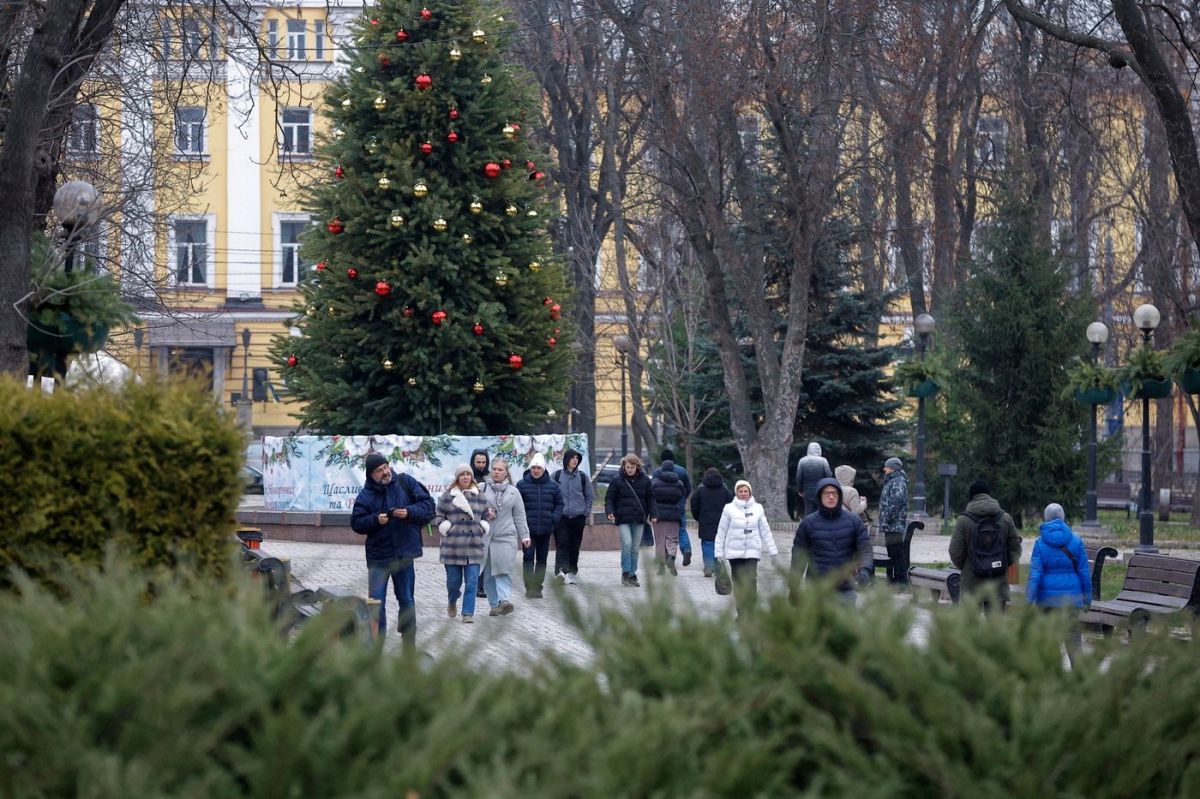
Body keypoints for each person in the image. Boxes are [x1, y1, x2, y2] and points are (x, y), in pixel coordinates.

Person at [350, 452, 435, 648]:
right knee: (376, 605)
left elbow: (428, 505)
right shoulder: (365, 495)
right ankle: (375, 649)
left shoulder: (406, 482)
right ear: (371, 475)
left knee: (407, 601)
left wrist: (409, 512)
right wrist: (375, 520)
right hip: (379, 559)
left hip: (404, 555)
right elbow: (356, 523)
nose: (385, 472)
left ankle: (409, 649)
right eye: (379, 470)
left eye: (386, 467)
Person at [791, 477, 872, 598]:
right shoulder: (808, 524)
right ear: (819, 496)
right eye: (827, 493)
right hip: (816, 588)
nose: (831, 497)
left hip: (846, 588)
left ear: (839, 496)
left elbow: (865, 548)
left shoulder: (854, 521)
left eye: (834, 493)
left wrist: (865, 570)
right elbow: (798, 558)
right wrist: (794, 588)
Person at [950, 479, 1022, 611]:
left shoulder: (963, 520)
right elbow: (1016, 549)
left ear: (971, 497)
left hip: (971, 584)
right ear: (989, 495)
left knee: (970, 622)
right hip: (998, 582)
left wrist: (967, 566)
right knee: (995, 623)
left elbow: (955, 551)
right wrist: (1002, 564)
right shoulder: (1005, 518)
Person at [434, 464, 491, 624]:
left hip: (474, 545)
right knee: (454, 582)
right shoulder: (447, 496)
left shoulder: (480, 495)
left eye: (468, 474)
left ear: (471, 477)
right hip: (453, 546)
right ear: (457, 477)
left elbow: (486, 516)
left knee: (472, 582)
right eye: (462, 474)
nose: (465, 477)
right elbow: (438, 516)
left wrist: (483, 526)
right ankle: (452, 600)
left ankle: (467, 613)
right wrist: (446, 527)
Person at [715, 479, 778, 618]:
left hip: (752, 551)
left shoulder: (758, 508)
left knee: (751, 581)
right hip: (734, 552)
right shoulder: (729, 508)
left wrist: (773, 550)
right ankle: (741, 613)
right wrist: (718, 552)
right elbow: (721, 531)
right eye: (740, 491)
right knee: (738, 582)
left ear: (750, 492)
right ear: (736, 493)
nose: (743, 493)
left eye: (745, 491)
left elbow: (765, 530)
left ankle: (751, 612)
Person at [482, 458, 530, 616]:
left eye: (500, 469)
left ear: (506, 472)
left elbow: (520, 516)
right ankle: (494, 605)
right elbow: (472, 507)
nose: (496, 472)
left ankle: (504, 600)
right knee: (489, 574)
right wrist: (485, 511)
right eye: (494, 469)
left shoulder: (514, 492)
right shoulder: (482, 488)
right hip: (487, 537)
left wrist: (525, 536)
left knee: (504, 569)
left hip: (506, 537)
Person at [604, 453, 657, 587]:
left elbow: (651, 499)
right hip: (623, 518)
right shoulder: (617, 480)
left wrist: (654, 514)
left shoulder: (645, 480)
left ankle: (633, 574)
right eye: (627, 467)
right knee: (627, 544)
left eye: (632, 467)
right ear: (624, 466)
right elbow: (609, 498)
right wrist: (610, 511)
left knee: (635, 547)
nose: (629, 470)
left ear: (637, 467)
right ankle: (626, 573)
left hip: (639, 518)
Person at [517, 453, 563, 598]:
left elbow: (559, 504)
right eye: (533, 468)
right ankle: (530, 587)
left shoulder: (553, 486)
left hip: (545, 529)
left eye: (538, 468)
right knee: (528, 557)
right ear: (530, 469)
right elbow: (517, 506)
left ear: (543, 469)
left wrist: (553, 518)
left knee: (542, 559)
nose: (536, 470)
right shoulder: (522, 485)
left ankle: (538, 586)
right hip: (528, 530)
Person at [553, 447, 593, 584]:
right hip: (561, 516)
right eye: (572, 458)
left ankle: (572, 571)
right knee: (562, 543)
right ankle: (560, 572)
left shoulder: (582, 477)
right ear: (566, 459)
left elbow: (589, 496)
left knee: (574, 545)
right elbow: (551, 494)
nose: (575, 460)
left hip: (578, 516)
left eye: (577, 458)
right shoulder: (556, 476)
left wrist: (586, 511)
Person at [690, 467, 733, 577]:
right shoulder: (725, 490)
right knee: (719, 544)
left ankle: (709, 567)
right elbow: (731, 506)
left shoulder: (700, 490)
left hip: (705, 521)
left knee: (707, 544)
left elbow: (694, 505)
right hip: (722, 521)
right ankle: (718, 566)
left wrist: (698, 517)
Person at [650, 457, 688, 575]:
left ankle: (661, 567)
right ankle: (671, 557)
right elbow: (683, 495)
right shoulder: (679, 483)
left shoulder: (654, 482)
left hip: (658, 515)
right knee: (672, 538)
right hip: (674, 515)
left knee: (660, 540)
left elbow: (650, 497)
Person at [657, 448, 694, 565]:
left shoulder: (657, 472)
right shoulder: (682, 471)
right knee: (682, 530)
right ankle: (686, 549)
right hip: (679, 506)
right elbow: (688, 488)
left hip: (661, 508)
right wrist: (682, 498)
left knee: (664, 533)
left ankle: (667, 556)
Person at [878, 457, 909, 585]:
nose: (884, 469)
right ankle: (896, 580)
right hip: (891, 525)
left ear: (893, 468)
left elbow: (895, 504)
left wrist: (886, 519)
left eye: (887, 466)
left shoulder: (898, 482)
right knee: (893, 552)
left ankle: (902, 581)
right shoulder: (892, 481)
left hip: (894, 524)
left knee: (896, 552)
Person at [469, 447, 492, 598]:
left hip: (486, 520)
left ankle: (482, 586)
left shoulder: (490, 477)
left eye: (484, 462)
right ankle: (474, 584)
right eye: (478, 462)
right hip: (470, 520)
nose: (481, 465)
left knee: (485, 554)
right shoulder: (467, 476)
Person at [795, 442, 833, 517]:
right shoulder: (823, 461)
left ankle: (809, 524)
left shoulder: (802, 461)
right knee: (821, 511)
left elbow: (799, 477)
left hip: (807, 491)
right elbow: (829, 475)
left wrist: (800, 490)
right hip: (821, 490)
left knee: (808, 512)